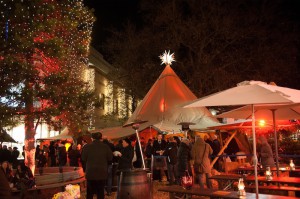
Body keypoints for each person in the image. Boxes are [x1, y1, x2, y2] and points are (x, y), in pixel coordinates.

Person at [81, 132, 113, 199]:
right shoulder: (105, 147)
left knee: (90, 192)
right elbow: (110, 158)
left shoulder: (87, 147)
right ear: (101, 138)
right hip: (102, 172)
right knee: (100, 192)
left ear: (92, 138)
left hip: (90, 173)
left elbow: (83, 158)